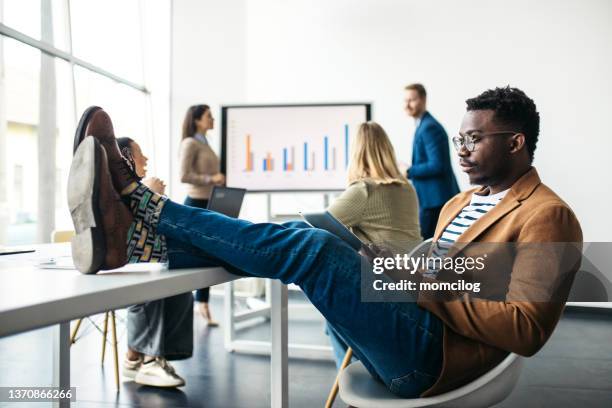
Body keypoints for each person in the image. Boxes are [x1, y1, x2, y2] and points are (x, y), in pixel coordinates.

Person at [67, 87, 582, 398]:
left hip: (435, 359)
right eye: (459, 140)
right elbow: (446, 271)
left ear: (515, 142)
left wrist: (415, 278)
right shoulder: (455, 205)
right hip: (404, 317)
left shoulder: (547, 214)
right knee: (305, 236)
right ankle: (132, 245)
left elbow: (527, 326)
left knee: (310, 248)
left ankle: (140, 206)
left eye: (474, 140)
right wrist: (398, 267)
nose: (462, 151)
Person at [323, 121, 421, 368]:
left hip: (383, 286)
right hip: (413, 283)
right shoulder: (407, 188)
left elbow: (318, 226)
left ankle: (356, 376)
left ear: (356, 153)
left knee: (331, 309)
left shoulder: (364, 190)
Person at [116, 137, 191, 388]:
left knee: (180, 289)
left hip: (146, 261)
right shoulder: (117, 192)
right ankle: (149, 361)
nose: (145, 159)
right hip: (128, 265)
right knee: (154, 281)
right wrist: (150, 193)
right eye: (140, 154)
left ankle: (135, 357)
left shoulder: (136, 190)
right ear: (126, 157)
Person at [179, 104, 225, 326]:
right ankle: (197, 304)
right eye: (209, 116)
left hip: (210, 203)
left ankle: (202, 303)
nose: (213, 119)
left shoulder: (206, 143)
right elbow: (184, 175)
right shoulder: (190, 143)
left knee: (208, 254)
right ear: (197, 120)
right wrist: (211, 179)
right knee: (198, 254)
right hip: (195, 203)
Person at [404, 83, 459, 239]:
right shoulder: (423, 125)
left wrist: (408, 171)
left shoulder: (429, 127)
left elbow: (437, 165)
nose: (407, 105)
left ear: (423, 99)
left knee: (426, 249)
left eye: (412, 100)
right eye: (405, 100)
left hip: (436, 202)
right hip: (432, 201)